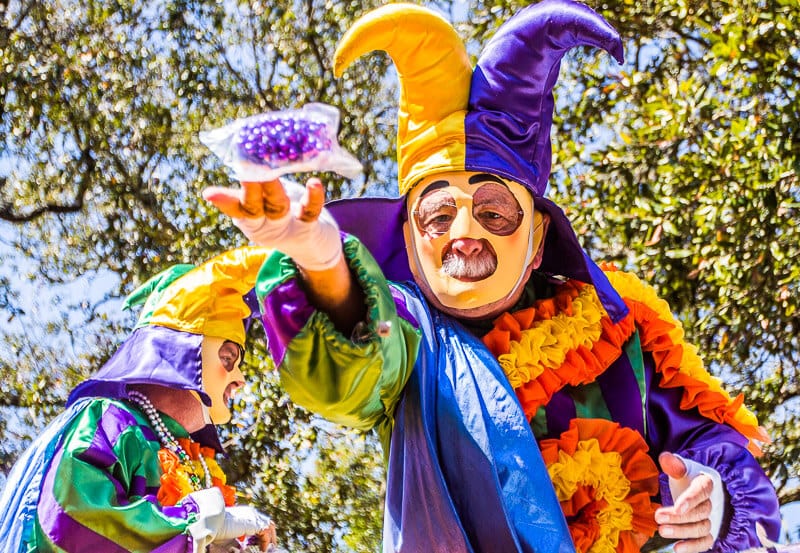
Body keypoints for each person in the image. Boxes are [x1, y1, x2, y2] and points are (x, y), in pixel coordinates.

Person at [203, 1, 782, 552]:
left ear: (536, 243)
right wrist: (323, 258)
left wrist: (717, 499)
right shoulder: (411, 337)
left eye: (494, 213)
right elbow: (357, 370)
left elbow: (717, 451)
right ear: (409, 241)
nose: (465, 233)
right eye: (437, 215)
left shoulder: (620, 330)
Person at [0, 247, 279, 553]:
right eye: (227, 357)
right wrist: (200, 524)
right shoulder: (108, 422)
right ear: (182, 352)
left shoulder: (196, 462)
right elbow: (69, 518)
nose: (239, 378)